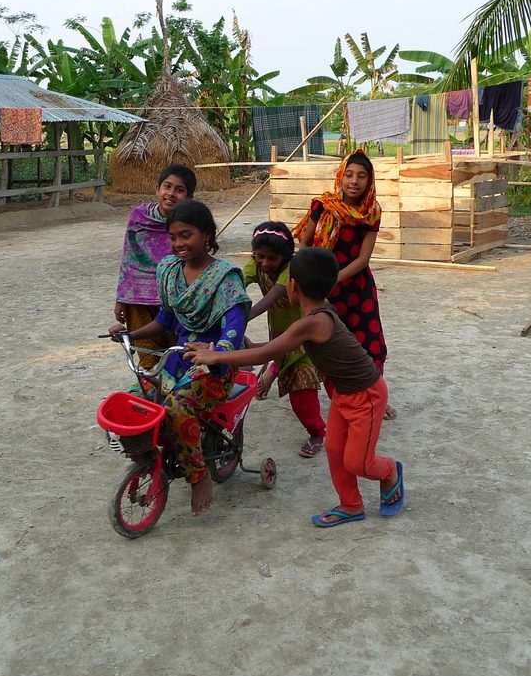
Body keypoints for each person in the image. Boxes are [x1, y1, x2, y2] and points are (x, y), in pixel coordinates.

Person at [186, 247, 404, 527]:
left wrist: (215, 356)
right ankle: (351, 505)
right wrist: (217, 349)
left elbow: (266, 355)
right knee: (336, 452)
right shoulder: (315, 318)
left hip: (367, 396)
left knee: (358, 462)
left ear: (293, 285)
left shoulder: (314, 322)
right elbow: (273, 347)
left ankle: (390, 473)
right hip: (345, 394)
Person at [110, 199, 251, 516]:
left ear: (207, 235)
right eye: (173, 237)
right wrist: (129, 335)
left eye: (186, 235)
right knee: (136, 399)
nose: (178, 244)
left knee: (175, 407)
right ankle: (154, 459)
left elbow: (234, 327)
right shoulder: (169, 271)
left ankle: (199, 478)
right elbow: (166, 321)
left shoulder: (225, 277)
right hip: (178, 360)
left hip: (216, 366)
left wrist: (217, 352)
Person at [292, 148, 397, 420]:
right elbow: (304, 243)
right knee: (330, 346)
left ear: (369, 180)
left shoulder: (372, 212)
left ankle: (377, 397)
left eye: (362, 176)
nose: (354, 181)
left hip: (358, 288)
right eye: (349, 174)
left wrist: (334, 278)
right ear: (340, 176)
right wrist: (313, 278)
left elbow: (363, 259)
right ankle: (343, 399)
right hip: (322, 289)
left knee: (370, 342)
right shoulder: (322, 205)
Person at [244, 221, 327, 459]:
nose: (265, 263)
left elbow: (273, 297)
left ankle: (317, 432)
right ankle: (274, 368)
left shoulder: (292, 269)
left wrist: (243, 318)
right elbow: (237, 281)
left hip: (309, 327)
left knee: (304, 386)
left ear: (286, 256)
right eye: (260, 257)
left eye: (272, 258)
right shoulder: (256, 264)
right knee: (286, 362)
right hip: (281, 330)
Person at [114, 164, 197, 369]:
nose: (171, 194)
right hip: (138, 301)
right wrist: (121, 299)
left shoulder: (192, 223)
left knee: (177, 358)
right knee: (149, 361)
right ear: (157, 188)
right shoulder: (138, 217)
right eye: (167, 187)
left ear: (189, 196)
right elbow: (128, 260)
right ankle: (156, 397)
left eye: (179, 189)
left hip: (176, 300)